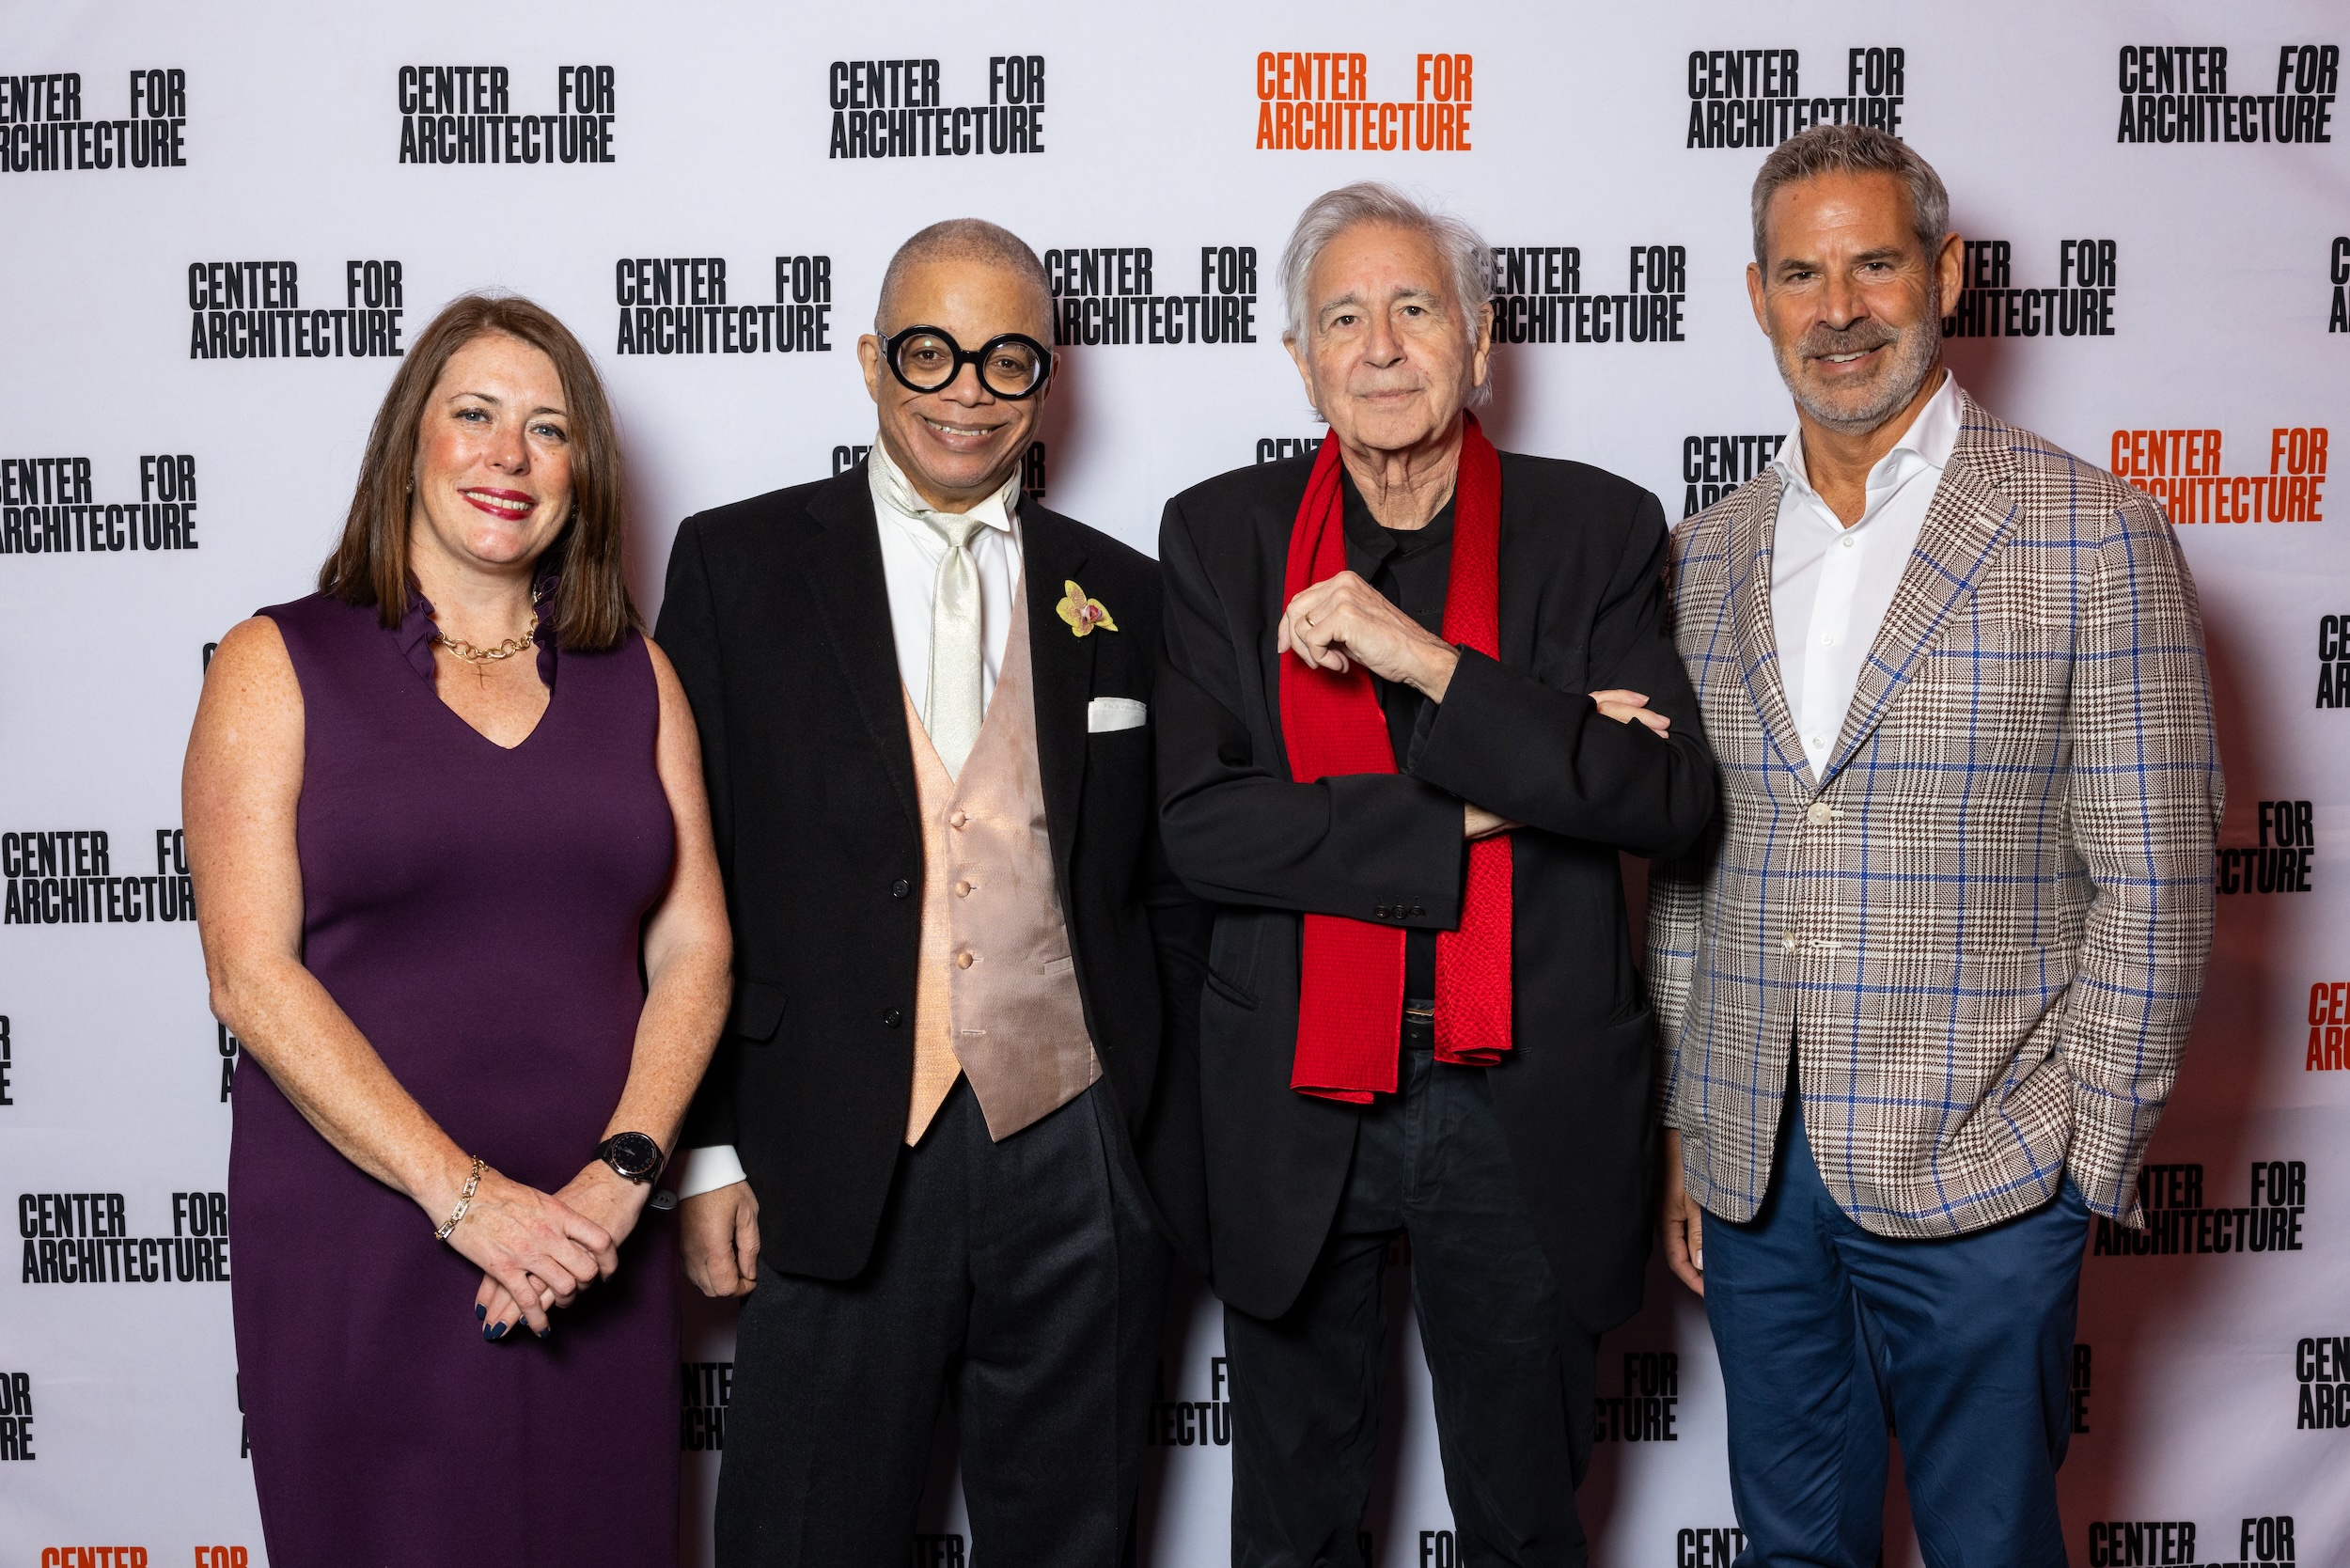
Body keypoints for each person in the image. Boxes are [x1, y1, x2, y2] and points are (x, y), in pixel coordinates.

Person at [1648, 124, 2223, 1567]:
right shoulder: (1699, 552)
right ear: (1756, 295)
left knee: (1988, 1549)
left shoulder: (2094, 537)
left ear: (1946, 274)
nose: (1837, 309)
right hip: (1758, 1182)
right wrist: (1690, 1126)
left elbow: (2155, 878)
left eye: (1873, 264)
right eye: (1800, 274)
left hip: (1990, 1174)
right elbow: (1682, 871)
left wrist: (2083, 1165)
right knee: (1793, 1553)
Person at [1155, 182, 1717, 1568]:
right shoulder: (1218, 537)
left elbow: (1657, 795)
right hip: (1297, 1090)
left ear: (1480, 344)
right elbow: (1204, 833)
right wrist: (1500, 792)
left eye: (1416, 309)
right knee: (1291, 1520)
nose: (1382, 345)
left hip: (1520, 1096)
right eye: (1343, 316)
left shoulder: (1596, 527)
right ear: (1301, 360)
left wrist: (1423, 662)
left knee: (1523, 1516)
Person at [655, 218, 1211, 1568]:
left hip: (1078, 1146)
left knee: (1072, 1541)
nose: (967, 388)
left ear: (1047, 380)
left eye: (1006, 359)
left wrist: (1151, 1151)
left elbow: (1171, 887)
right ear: (868, 361)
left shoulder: (1125, 592)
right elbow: (681, 879)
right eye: (931, 350)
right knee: (802, 1538)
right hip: (833, 1148)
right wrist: (709, 1149)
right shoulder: (738, 566)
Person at [185, 292, 732, 1566]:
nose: (508, 456)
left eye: (549, 431)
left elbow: (694, 947)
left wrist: (618, 1180)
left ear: (582, 474)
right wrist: (469, 1201)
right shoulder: (276, 663)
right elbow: (248, 973)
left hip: (590, 1234)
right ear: (408, 444)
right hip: (363, 1231)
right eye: (474, 415)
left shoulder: (635, 673)